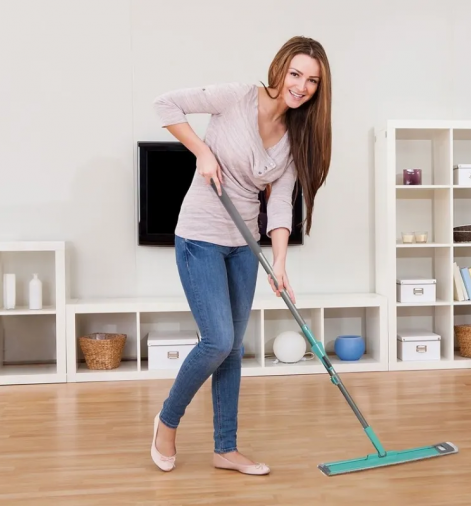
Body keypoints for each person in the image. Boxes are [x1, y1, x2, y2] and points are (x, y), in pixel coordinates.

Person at [148, 36, 332, 474]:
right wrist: (203, 150)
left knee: (231, 350)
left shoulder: (295, 137)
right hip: (199, 236)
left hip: (245, 246)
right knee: (218, 340)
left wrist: (280, 262)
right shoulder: (237, 97)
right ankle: (167, 421)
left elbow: (282, 202)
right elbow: (164, 105)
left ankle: (225, 448)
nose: (301, 85)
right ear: (280, 68)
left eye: (311, 81)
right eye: (295, 73)